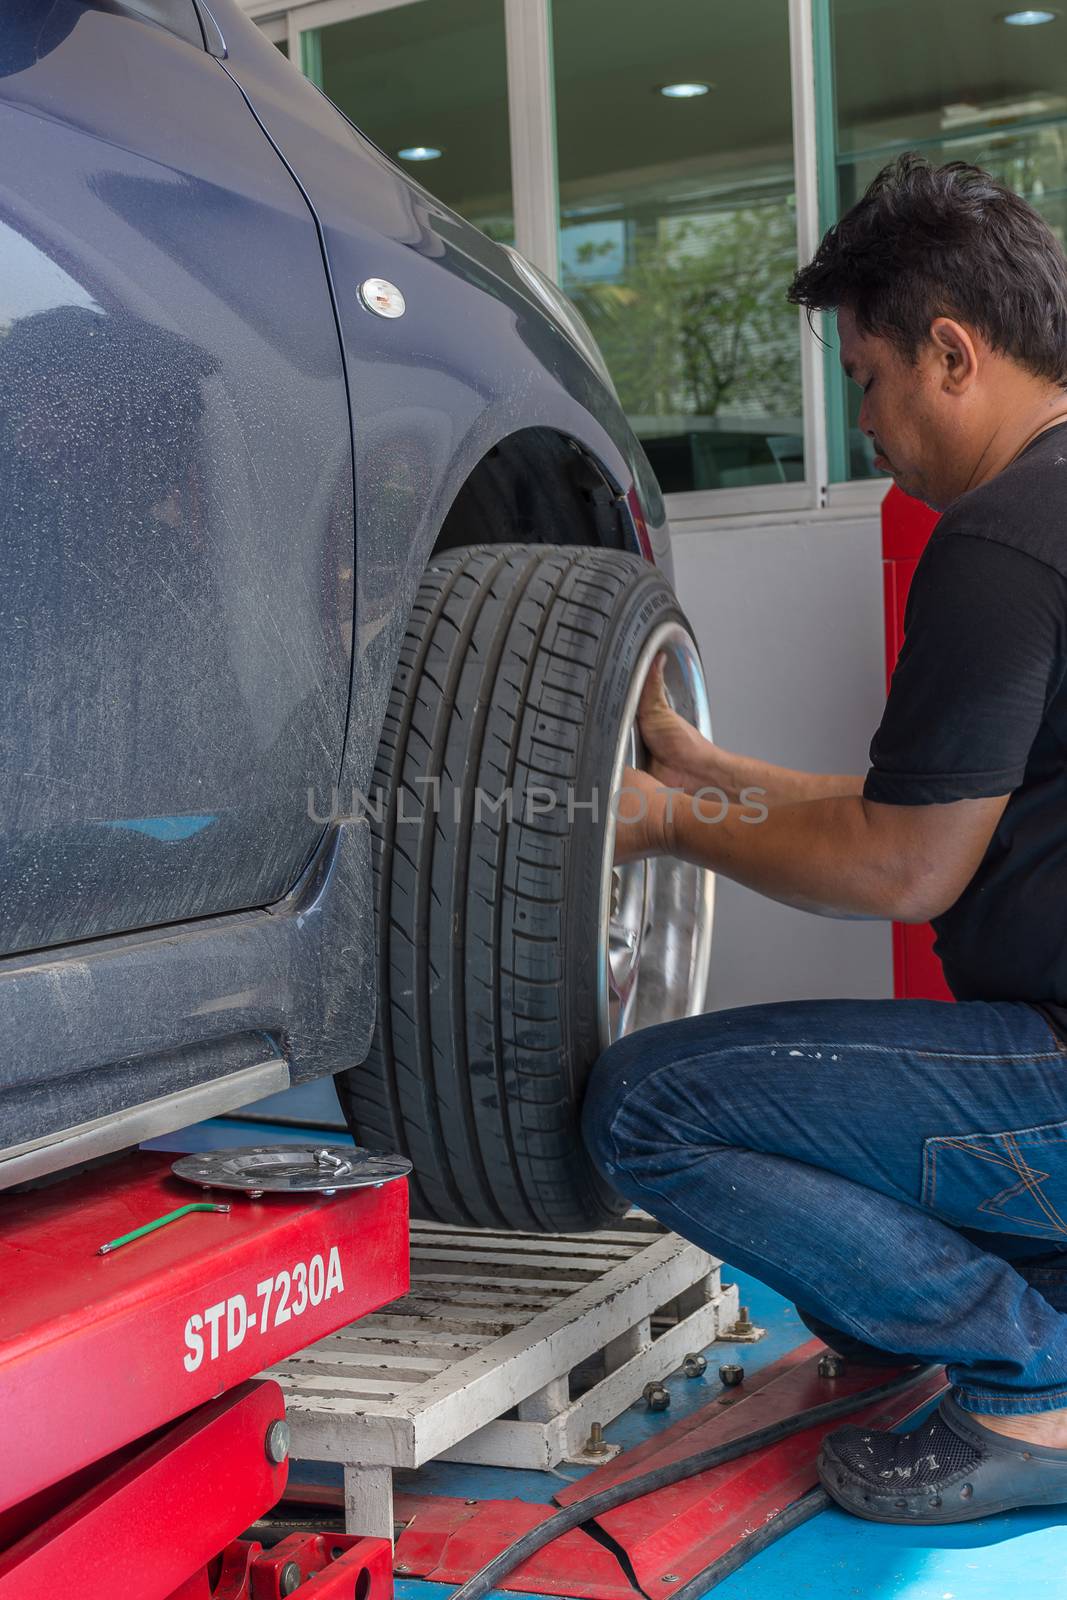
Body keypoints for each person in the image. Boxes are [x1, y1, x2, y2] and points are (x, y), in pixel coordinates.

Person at [581, 153, 1067, 1525]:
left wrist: (668, 822)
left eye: (867, 376)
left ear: (952, 352)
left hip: (1057, 1082)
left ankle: (1031, 1377)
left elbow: (901, 867)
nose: (865, 421)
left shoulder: (1003, 539)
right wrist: (703, 766)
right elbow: (911, 806)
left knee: (647, 1104)